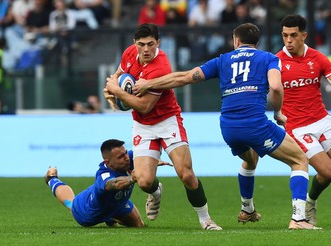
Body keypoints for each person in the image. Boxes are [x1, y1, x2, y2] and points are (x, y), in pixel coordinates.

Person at [133, 23, 319, 230]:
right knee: (299, 160)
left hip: (229, 128)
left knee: (250, 159)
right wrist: (277, 112)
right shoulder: (269, 58)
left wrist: (148, 83)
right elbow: (275, 86)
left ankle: (247, 209)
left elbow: (185, 77)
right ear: (256, 42)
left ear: (236, 41)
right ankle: (298, 219)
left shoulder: (223, 60)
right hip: (255, 124)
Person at [103, 23, 222, 231]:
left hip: (167, 121)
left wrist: (118, 92)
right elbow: (118, 77)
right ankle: (156, 191)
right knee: (143, 181)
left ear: (158, 42)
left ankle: (206, 220)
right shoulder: (130, 53)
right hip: (143, 125)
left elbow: (145, 105)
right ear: (135, 43)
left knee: (186, 174)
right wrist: (111, 91)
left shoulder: (161, 67)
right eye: (141, 44)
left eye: (150, 44)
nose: (146, 49)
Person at [276, 14, 331, 226]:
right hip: (297, 127)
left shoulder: (318, 58)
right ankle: (310, 202)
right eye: (284, 35)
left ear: (304, 35)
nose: (288, 40)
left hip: (322, 119)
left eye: (293, 35)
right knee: (327, 172)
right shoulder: (276, 62)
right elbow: (268, 90)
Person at [44, 139, 170, 228]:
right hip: (88, 213)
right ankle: (52, 179)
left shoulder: (129, 158)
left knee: (139, 226)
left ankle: (112, 218)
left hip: (119, 204)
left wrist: (151, 162)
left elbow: (144, 155)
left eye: (125, 153)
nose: (126, 157)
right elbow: (114, 184)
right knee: (70, 203)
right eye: (120, 156)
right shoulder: (103, 175)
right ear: (108, 162)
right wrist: (132, 179)